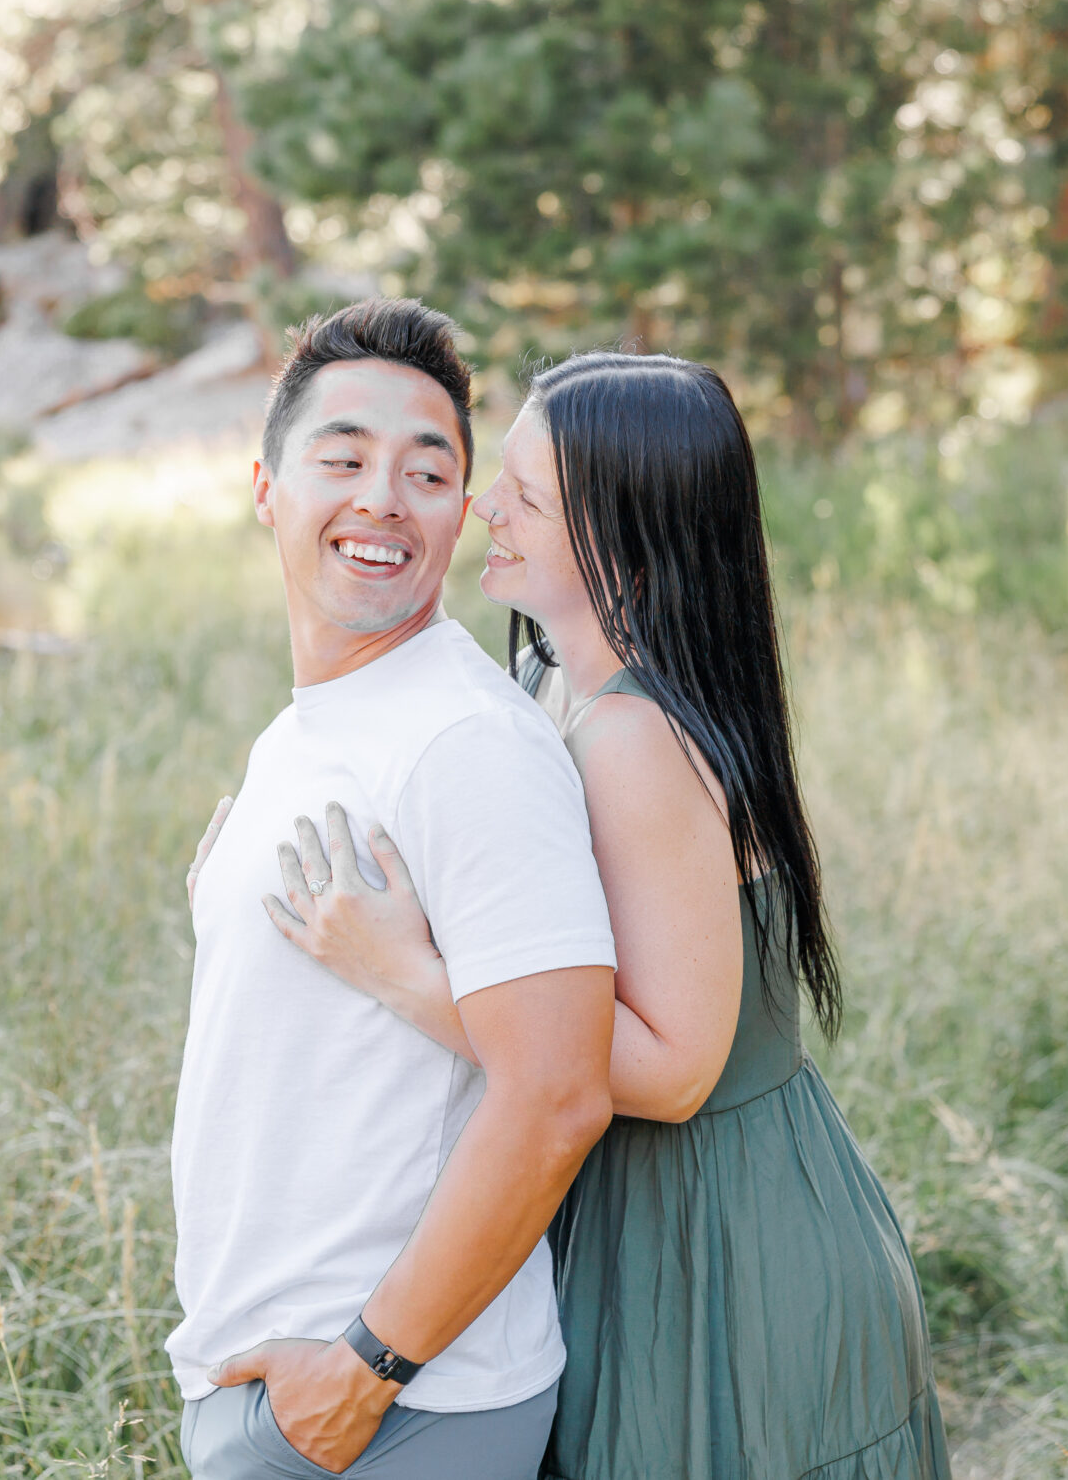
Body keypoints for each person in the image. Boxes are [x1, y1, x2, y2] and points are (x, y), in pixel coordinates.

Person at [257, 351, 949, 1479]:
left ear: (623, 537)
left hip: (715, 1237)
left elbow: (676, 1071)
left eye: (526, 497)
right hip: (641, 1206)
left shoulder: (633, 740)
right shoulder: (550, 681)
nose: (485, 508)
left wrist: (402, 975)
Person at [167, 300, 619, 1479]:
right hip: (287, 1396)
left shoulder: (466, 742)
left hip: (400, 1409)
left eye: (426, 472)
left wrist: (365, 1373)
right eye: (343, 458)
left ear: (459, 517)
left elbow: (560, 1093)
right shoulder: (313, 729)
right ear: (266, 487)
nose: (380, 497)